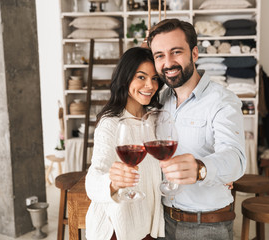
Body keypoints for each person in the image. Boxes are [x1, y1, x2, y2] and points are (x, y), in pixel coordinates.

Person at [147, 19, 247, 239]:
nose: (168, 62)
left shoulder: (222, 101)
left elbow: (236, 159)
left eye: (176, 52)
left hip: (206, 226)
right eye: (160, 56)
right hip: (162, 220)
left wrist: (202, 168)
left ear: (194, 53)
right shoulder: (159, 100)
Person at [85, 47, 165, 240]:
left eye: (155, 78)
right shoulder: (110, 123)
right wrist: (112, 182)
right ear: (125, 78)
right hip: (118, 227)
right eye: (141, 77)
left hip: (150, 225)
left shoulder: (156, 118)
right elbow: (93, 181)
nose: (150, 85)